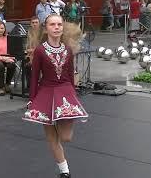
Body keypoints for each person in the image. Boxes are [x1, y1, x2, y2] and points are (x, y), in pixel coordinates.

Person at [23, 14, 88, 178]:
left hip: (65, 92)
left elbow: (69, 75)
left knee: (66, 138)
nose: (57, 27)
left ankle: (57, 119)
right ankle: (64, 171)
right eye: (52, 24)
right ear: (46, 28)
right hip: (46, 92)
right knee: (52, 138)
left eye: (59, 24)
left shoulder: (67, 49)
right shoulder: (39, 50)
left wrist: (73, 96)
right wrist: (32, 99)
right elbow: (35, 76)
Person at [25, 16, 40, 89]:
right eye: (33, 23)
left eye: (36, 22)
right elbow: (26, 47)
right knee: (27, 65)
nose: (34, 24)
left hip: (40, 56)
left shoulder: (43, 33)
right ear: (30, 24)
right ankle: (30, 86)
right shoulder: (28, 33)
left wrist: (34, 50)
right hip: (29, 55)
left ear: (39, 23)